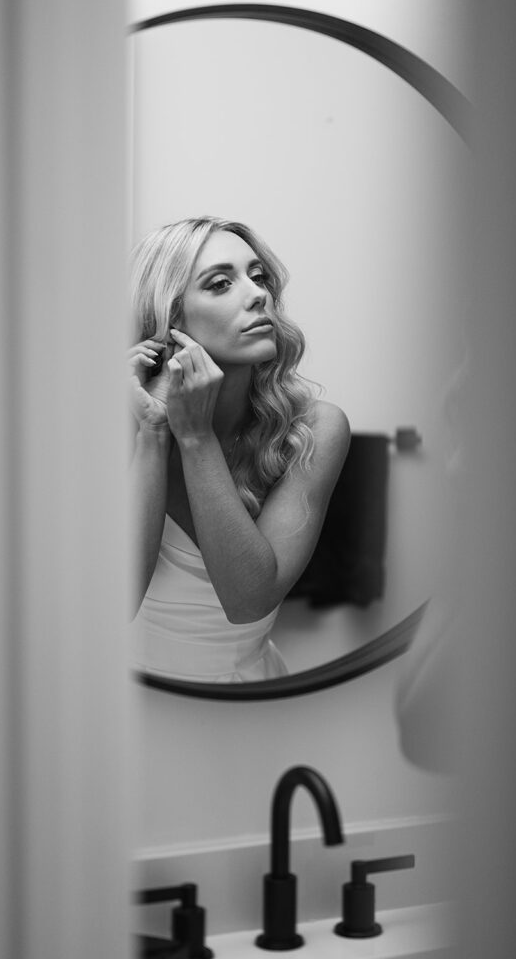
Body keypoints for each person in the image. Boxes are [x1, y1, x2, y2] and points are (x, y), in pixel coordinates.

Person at [128, 216, 350, 682]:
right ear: (170, 320)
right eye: (221, 283)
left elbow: (248, 601)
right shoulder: (109, 426)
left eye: (259, 276)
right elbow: (112, 608)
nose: (258, 294)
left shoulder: (314, 429)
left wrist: (195, 437)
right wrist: (152, 432)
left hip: (247, 703)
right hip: (122, 705)